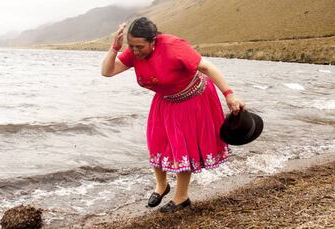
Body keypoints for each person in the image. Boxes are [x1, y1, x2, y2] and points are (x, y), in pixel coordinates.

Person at [101, 17, 245, 213]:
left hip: (192, 98)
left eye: (139, 46)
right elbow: (107, 72)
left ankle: (181, 197)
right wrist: (115, 48)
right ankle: (162, 186)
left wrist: (229, 95)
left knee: (181, 147)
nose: (134, 51)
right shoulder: (135, 51)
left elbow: (207, 67)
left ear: (153, 41)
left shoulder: (173, 46)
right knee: (156, 142)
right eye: (131, 46)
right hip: (165, 99)